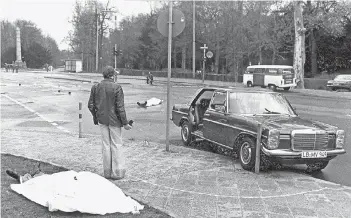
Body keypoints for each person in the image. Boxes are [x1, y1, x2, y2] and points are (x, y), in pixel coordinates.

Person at [88, 66, 132, 180]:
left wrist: (95, 117)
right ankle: (117, 172)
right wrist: (125, 123)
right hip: (115, 121)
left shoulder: (96, 87)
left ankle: (107, 172)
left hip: (102, 120)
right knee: (116, 145)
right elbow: (120, 108)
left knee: (106, 146)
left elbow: (91, 105)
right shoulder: (117, 87)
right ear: (112, 75)